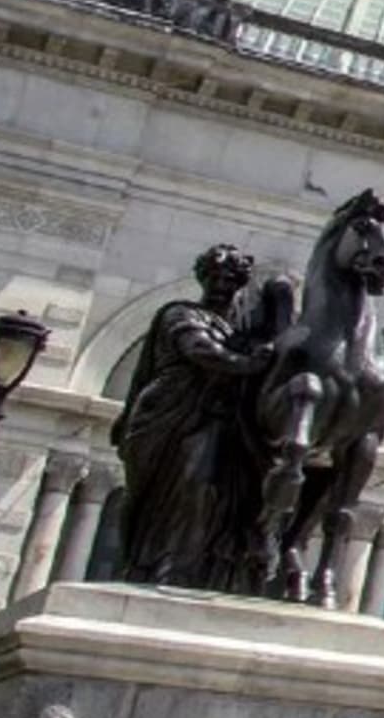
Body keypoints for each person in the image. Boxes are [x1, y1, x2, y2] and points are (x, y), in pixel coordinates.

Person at [111, 245, 272, 590]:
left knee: (206, 490)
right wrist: (252, 363)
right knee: (165, 489)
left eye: (229, 279)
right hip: (168, 414)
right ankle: (151, 563)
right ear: (202, 279)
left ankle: (182, 566)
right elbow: (200, 350)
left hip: (214, 419)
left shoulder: (239, 331)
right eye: (214, 277)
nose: (221, 285)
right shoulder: (181, 314)